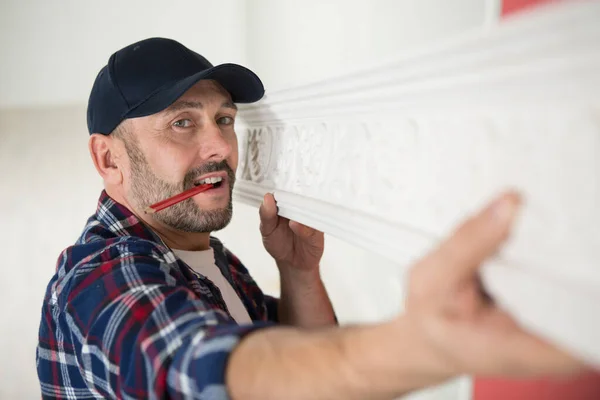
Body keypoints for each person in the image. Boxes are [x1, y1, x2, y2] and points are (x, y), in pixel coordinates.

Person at [36, 37, 584, 400]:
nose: (219, 148)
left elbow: (300, 368)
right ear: (109, 160)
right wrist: (424, 346)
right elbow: (201, 368)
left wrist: (298, 271)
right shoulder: (99, 276)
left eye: (224, 119)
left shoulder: (206, 256)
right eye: (182, 123)